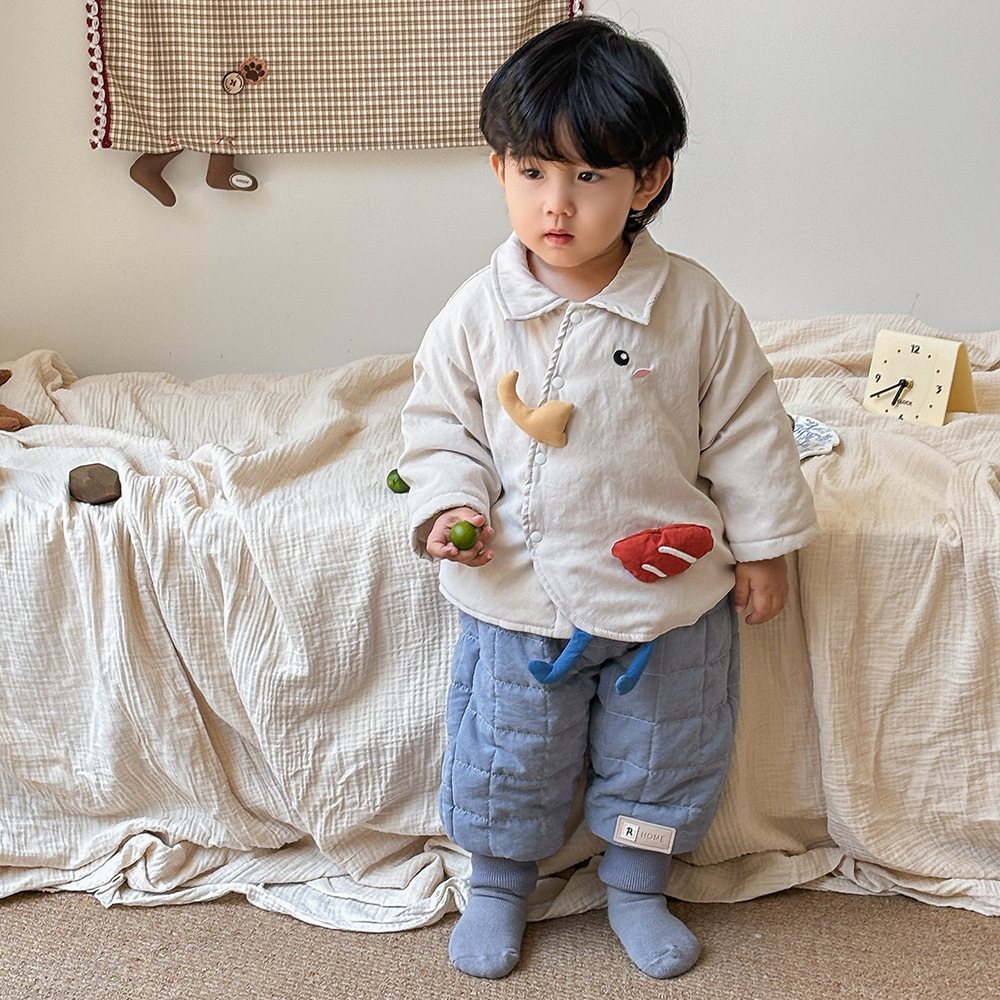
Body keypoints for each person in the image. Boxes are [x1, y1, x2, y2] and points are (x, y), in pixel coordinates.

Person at [397, 15, 819, 981]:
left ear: (648, 181)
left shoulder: (696, 307)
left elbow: (749, 433)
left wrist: (763, 547)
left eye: (590, 177)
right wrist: (451, 507)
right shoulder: (476, 312)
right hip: (521, 593)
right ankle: (500, 883)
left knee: (665, 752)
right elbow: (438, 428)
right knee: (508, 750)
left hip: (666, 597)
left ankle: (636, 882)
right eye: (536, 171)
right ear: (498, 169)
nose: (559, 203)